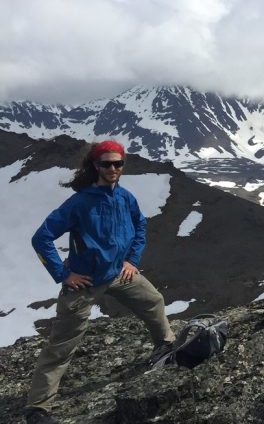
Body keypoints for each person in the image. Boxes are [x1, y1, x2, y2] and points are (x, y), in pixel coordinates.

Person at [24, 140, 175, 424]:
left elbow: (140, 224)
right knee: (61, 346)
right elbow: (41, 238)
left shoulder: (125, 197)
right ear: (95, 165)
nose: (113, 168)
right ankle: (37, 409)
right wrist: (63, 274)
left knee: (153, 300)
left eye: (118, 163)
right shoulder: (80, 203)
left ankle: (165, 347)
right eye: (106, 163)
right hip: (85, 283)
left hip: (119, 273)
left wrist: (132, 260)